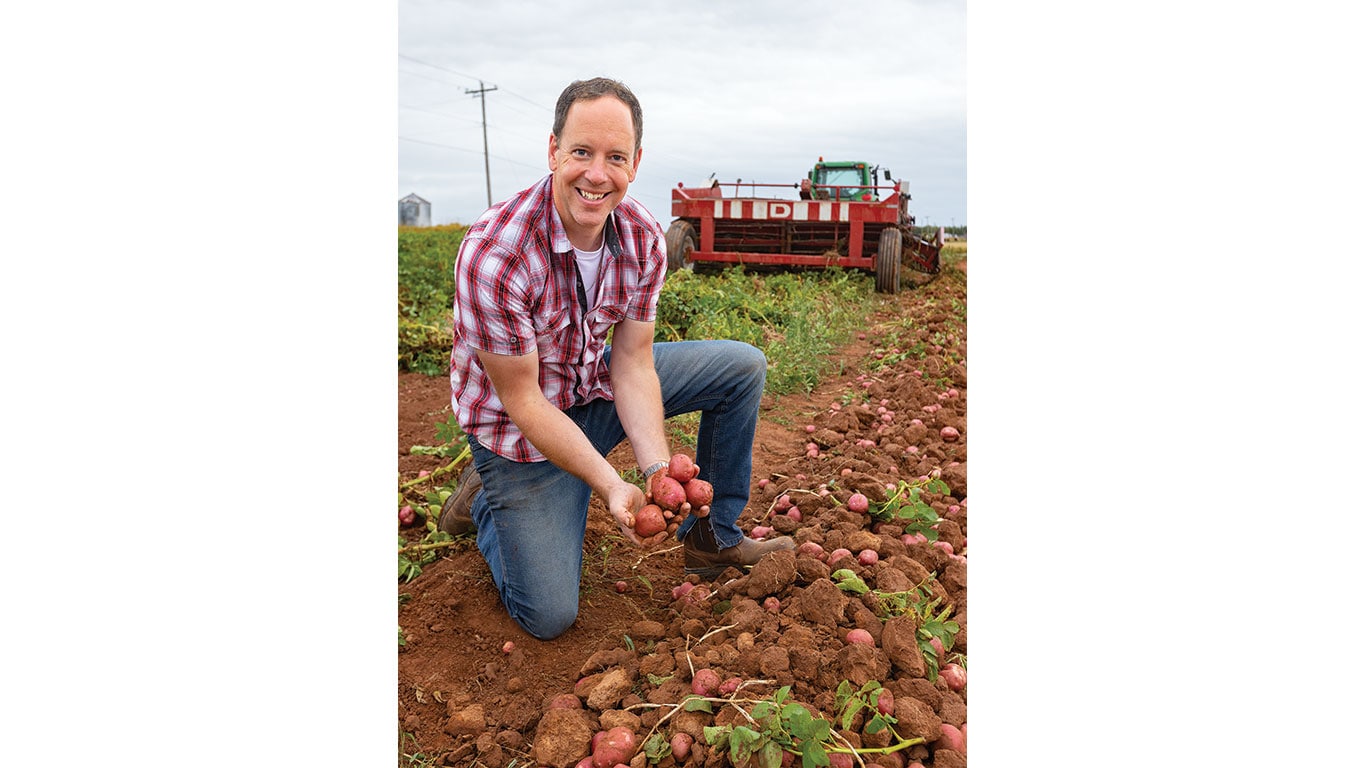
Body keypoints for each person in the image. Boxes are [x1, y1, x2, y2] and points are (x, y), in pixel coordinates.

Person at [439, 77, 795, 640]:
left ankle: (713, 538)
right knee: (550, 617)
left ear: (636, 163)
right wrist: (610, 484)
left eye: (616, 157)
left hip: (590, 391)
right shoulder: (495, 252)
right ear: (553, 149)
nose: (597, 174)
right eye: (581, 152)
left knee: (740, 366)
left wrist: (655, 470)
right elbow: (525, 402)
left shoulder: (642, 237)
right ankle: (487, 503)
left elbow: (631, 363)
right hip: (521, 433)